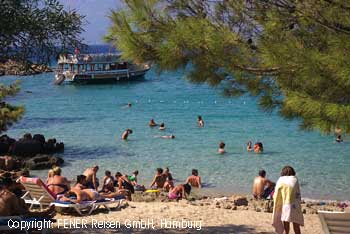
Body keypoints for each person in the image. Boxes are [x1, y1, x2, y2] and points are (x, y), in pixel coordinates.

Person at [272, 166, 304, 234]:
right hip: (294, 205)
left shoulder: (280, 180)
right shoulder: (295, 180)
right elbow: (297, 193)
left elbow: (277, 193)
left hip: (285, 205)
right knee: (296, 225)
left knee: (286, 222)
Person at [59, 187, 127, 203]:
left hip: (93, 196)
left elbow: (79, 201)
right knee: (104, 194)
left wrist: (67, 199)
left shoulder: (78, 193)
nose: (65, 195)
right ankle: (118, 192)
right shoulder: (72, 189)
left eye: (65, 194)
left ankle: (119, 193)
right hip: (91, 191)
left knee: (107, 196)